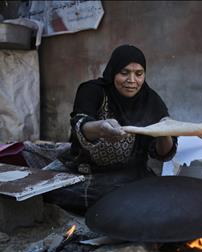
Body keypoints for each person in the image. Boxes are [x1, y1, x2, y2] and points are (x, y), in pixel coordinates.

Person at [44, 44, 177, 214]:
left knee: (152, 195)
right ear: (113, 71)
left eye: (139, 74)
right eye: (124, 72)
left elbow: (163, 153)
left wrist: (164, 133)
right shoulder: (93, 90)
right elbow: (80, 123)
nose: (132, 80)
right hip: (84, 171)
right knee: (41, 188)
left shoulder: (151, 101)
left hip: (128, 175)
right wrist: (101, 128)